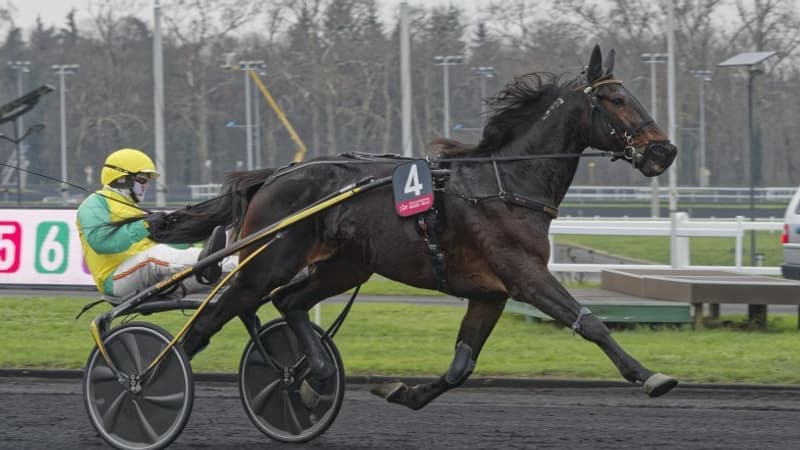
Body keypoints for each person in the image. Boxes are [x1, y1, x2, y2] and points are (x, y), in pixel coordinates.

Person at [76, 148, 233, 299]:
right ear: (122, 178)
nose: (146, 185)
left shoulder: (131, 208)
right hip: (115, 281)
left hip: (146, 275)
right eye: (142, 180)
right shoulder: (94, 203)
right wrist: (145, 226)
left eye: (148, 181)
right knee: (153, 257)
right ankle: (206, 260)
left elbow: (164, 251)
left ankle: (244, 263)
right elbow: (101, 243)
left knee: (215, 274)